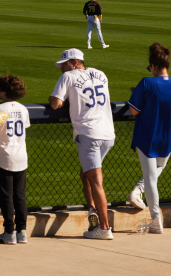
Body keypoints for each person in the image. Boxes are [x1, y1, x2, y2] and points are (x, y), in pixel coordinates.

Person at [49, 48, 115, 240]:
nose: (62, 68)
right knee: (86, 173)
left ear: (75, 62)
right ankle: (92, 209)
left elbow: (55, 103)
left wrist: (61, 100)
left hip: (89, 134)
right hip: (108, 134)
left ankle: (104, 228)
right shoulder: (101, 74)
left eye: (65, 64)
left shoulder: (68, 77)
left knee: (96, 180)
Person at [126, 43, 171, 234]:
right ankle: (138, 191)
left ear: (153, 66)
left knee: (151, 178)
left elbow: (133, 110)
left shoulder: (146, 83)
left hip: (147, 136)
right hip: (168, 137)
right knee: (156, 172)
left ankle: (156, 219)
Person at [0, 75, 30, 245]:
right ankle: (22, 231)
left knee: (6, 195)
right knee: (20, 195)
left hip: (4, 156)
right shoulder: (23, 109)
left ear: (4, 91)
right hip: (21, 155)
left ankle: (9, 231)